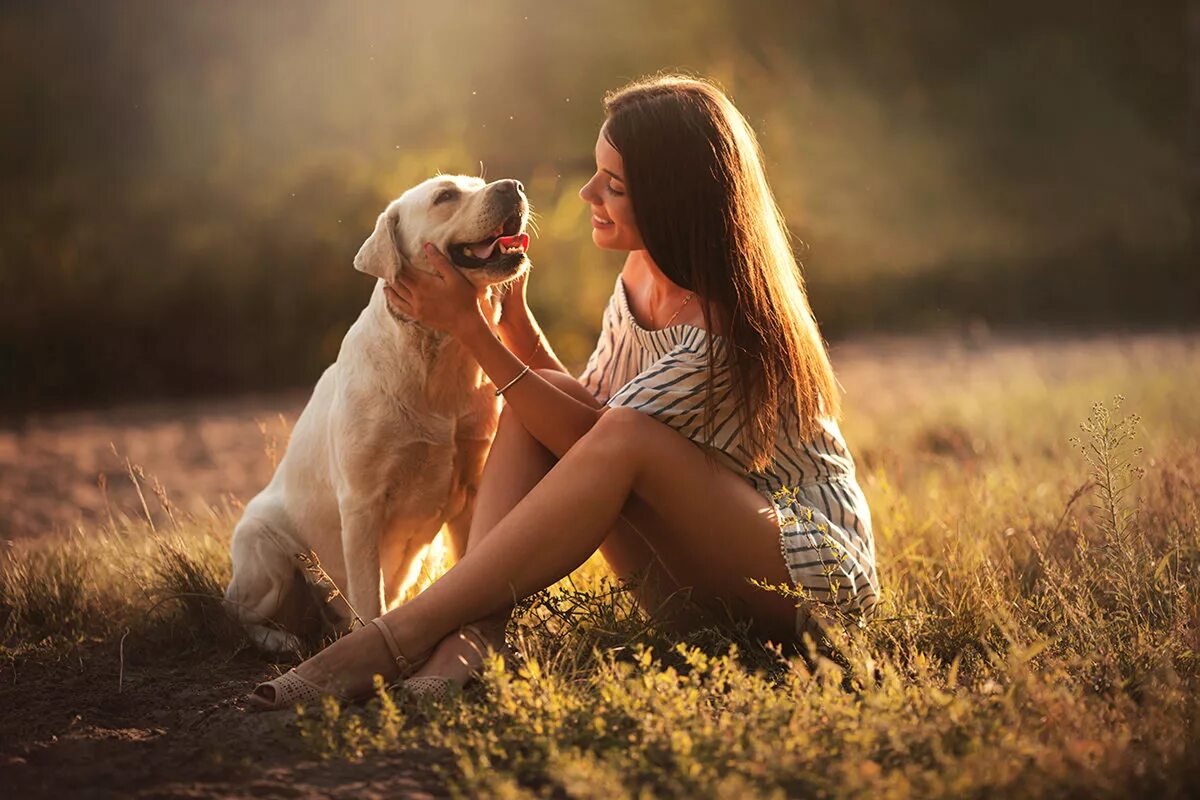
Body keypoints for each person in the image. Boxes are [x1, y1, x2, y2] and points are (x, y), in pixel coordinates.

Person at [248, 74, 879, 710]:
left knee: (589, 422)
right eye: (596, 171)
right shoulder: (641, 276)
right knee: (535, 399)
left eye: (614, 184)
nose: (586, 193)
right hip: (696, 582)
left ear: (672, 201)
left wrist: (470, 328)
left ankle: (393, 638)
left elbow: (602, 443)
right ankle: (473, 639)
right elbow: (585, 411)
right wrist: (512, 322)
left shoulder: (720, 330)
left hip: (805, 583)